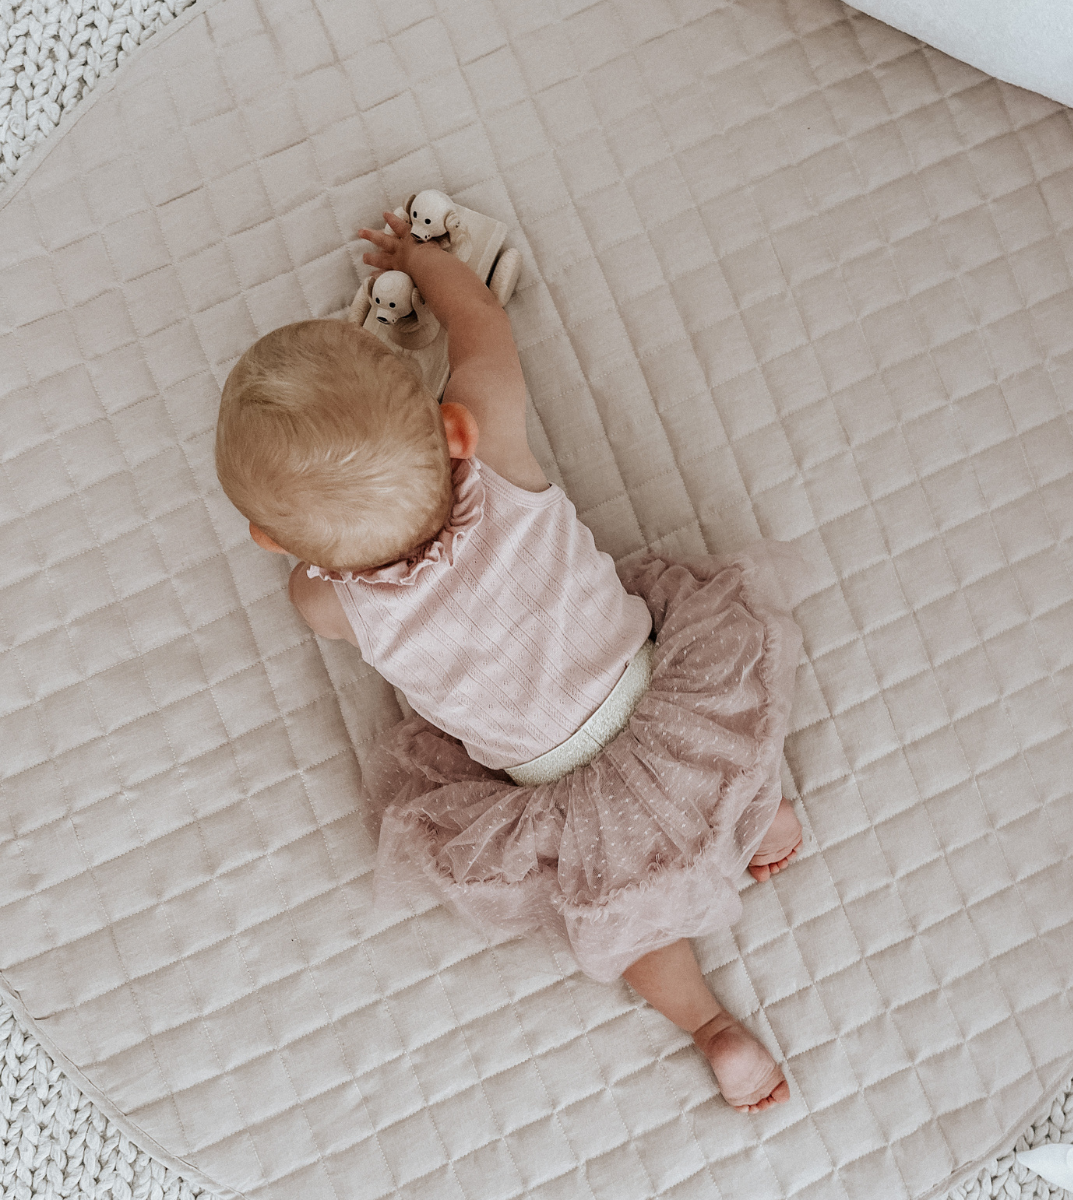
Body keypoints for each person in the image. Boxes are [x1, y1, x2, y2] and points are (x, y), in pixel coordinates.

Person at [214, 210, 806, 1112]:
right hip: (655, 690)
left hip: (560, 788)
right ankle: (767, 821)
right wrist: (421, 259)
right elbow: (480, 321)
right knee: (730, 744)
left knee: (626, 919)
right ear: (451, 430)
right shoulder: (490, 435)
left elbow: (310, 580)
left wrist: (316, 549)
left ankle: (712, 1028)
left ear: (271, 540)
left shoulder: (328, 604)